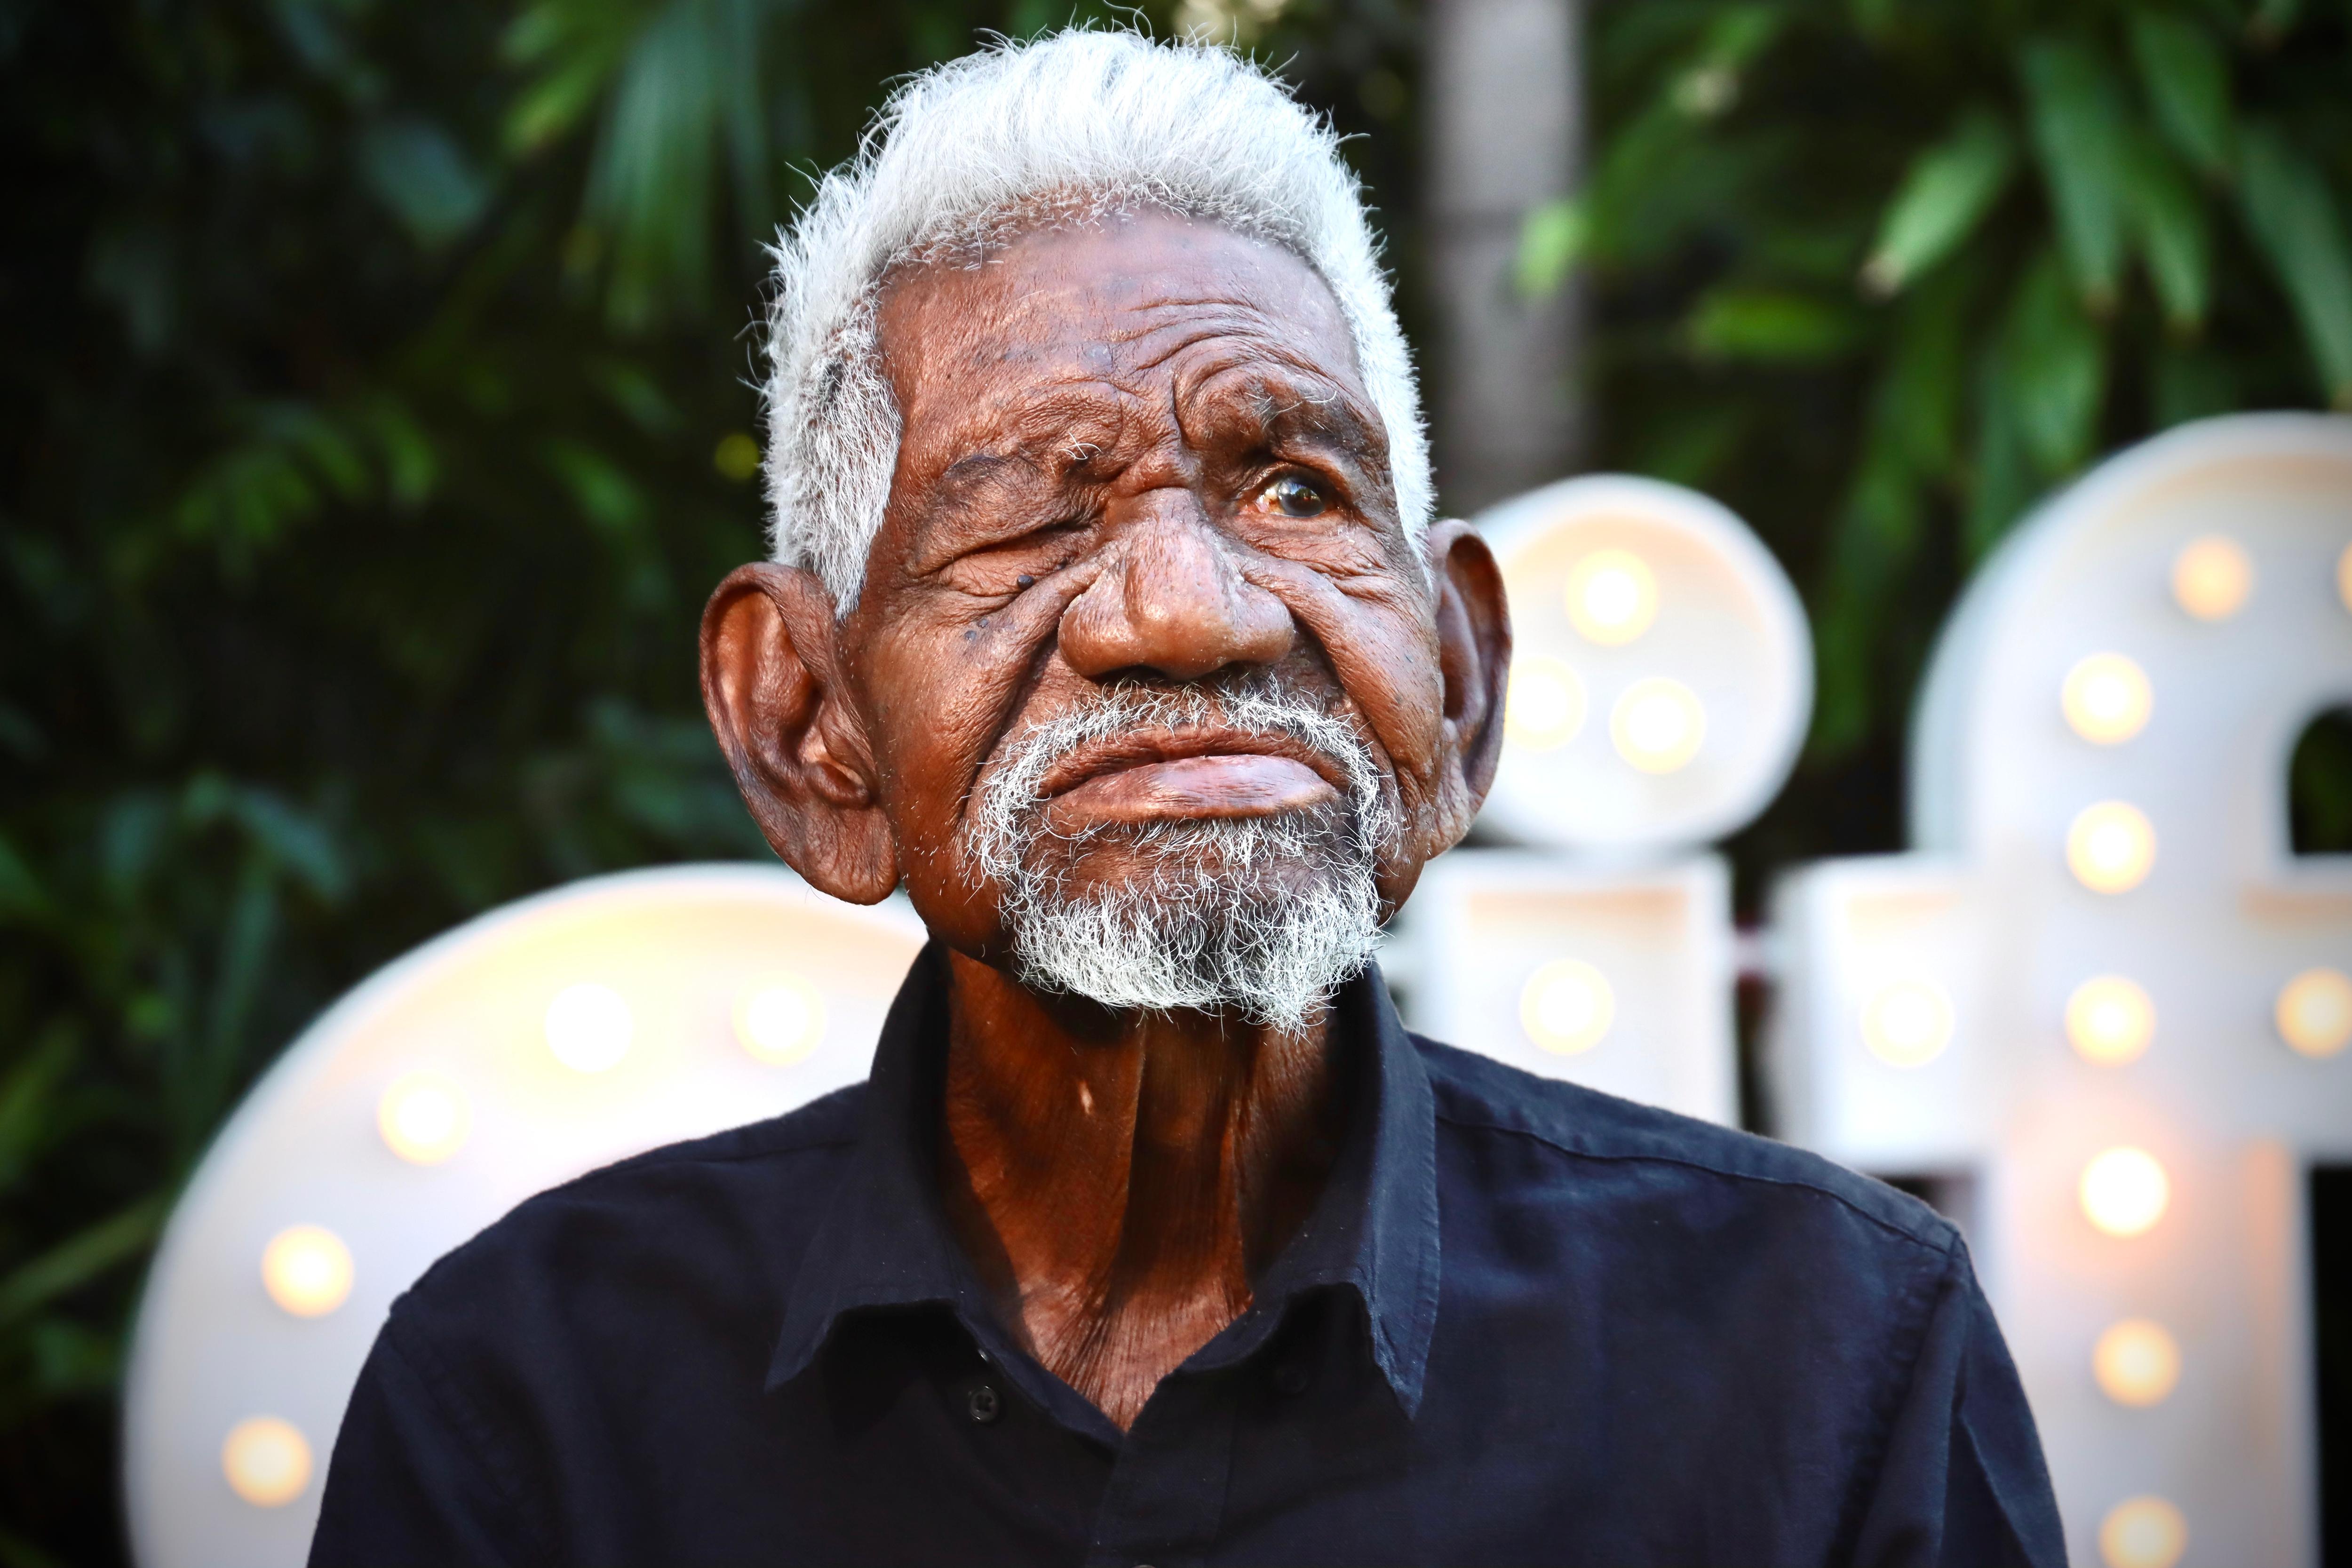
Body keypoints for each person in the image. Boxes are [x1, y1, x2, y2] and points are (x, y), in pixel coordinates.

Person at [309, 29, 2063, 1567]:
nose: (1191, 611)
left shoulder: (1830, 1358)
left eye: (1297, 491)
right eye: (1034, 518)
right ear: (809, 724)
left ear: (1459, 676)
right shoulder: (534, 1411)